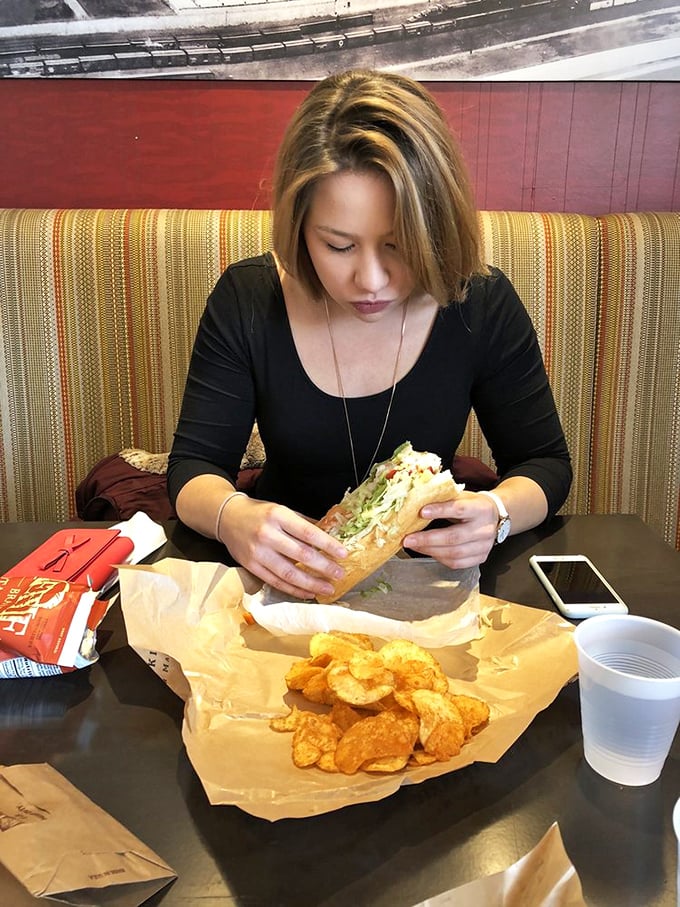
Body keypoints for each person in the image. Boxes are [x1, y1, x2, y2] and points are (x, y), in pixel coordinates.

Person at [168, 68, 571, 601]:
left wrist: (496, 513)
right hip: (279, 580)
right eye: (338, 246)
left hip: (433, 583)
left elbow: (544, 464)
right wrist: (232, 517)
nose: (371, 281)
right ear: (299, 228)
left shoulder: (480, 302)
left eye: (400, 244)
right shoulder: (248, 298)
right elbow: (194, 467)